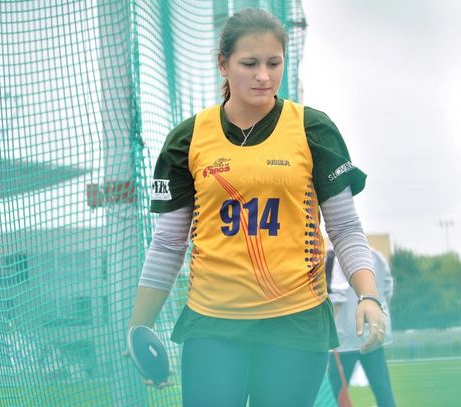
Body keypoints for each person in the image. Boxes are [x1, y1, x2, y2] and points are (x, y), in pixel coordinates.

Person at [128, 7, 386, 407]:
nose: (263, 75)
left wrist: (368, 295)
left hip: (296, 324)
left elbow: (345, 229)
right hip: (212, 324)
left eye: (273, 63)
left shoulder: (313, 129)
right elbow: (167, 244)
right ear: (223, 64)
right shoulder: (188, 138)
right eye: (249, 64)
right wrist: (139, 330)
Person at [327, 246, 397, 407]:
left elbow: (337, 295)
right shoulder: (377, 256)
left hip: (344, 338)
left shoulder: (335, 256)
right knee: (383, 390)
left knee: (333, 393)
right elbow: (387, 290)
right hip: (372, 333)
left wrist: (325, 332)